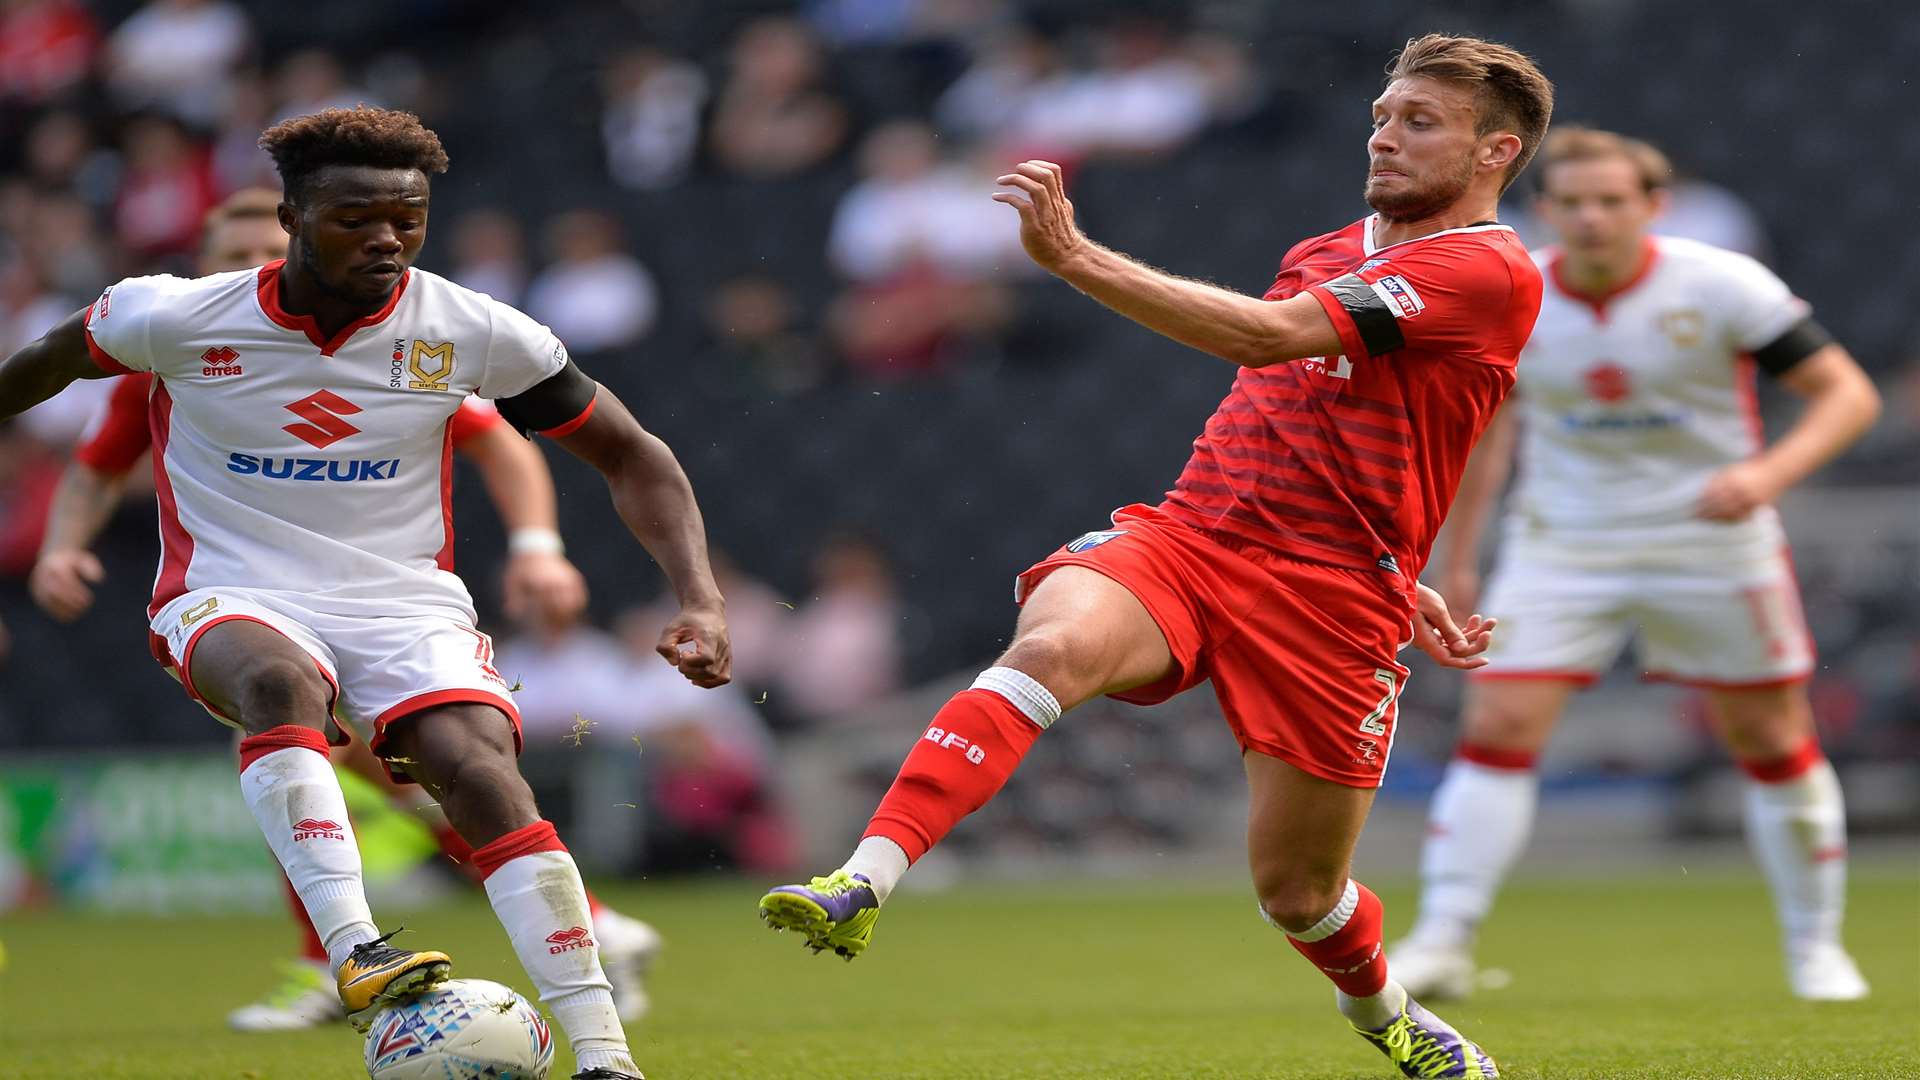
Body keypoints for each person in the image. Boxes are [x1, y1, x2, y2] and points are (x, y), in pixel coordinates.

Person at [759, 34, 1552, 1080]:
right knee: (1051, 648)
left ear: (1496, 151)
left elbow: (1271, 341)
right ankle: (861, 881)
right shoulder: (1323, 247)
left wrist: (1076, 260)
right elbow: (1302, 399)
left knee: (1299, 894)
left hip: (1332, 599)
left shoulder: (1487, 269)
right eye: (1382, 113)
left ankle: (1389, 1015)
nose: (1386, 135)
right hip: (1194, 537)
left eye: (1421, 122)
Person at [0, 106, 731, 1080]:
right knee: (275, 683)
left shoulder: (470, 330)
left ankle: (605, 1055)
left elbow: (631, 454)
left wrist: (700, 596)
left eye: (408, 219)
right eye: (356, 219)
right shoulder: (168, 316)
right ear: (294, 217)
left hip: (404, 606)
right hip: (229, 589)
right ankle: (354, 952)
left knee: (477, 773)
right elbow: (37, 373)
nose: (387, 238)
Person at [1388, 128, 1881, 1004]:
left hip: (1711, 540)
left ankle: (1816, 947)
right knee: (1498, 728)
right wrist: (1456, 561)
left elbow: (1847, 393)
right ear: (1546, 210)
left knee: (1771, 740)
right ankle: (1443, 939)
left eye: (1611, 201)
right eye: (1572, 201)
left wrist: (1766, 475)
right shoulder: (1518, 292)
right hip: (1563, 539)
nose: (1591, 218)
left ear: (1652, 207)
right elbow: (1486, 439)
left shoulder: (1723, 284)